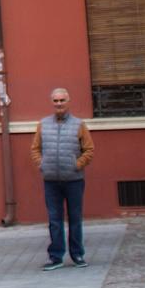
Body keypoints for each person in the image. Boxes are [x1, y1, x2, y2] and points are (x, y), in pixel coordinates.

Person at [31, 87, 95, 269]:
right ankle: (56, 256)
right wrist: (42, 164)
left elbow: (89, 150)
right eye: (56, 101)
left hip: (74, 180)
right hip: (51, 180)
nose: (59, 104)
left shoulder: (79, 125)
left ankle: (77, 255)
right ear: (52, 103)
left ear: (68, 101)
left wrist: (77, 165)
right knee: (54, 220)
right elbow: (35, 148)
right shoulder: (43, 124)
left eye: (62, 100)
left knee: (75, 219)